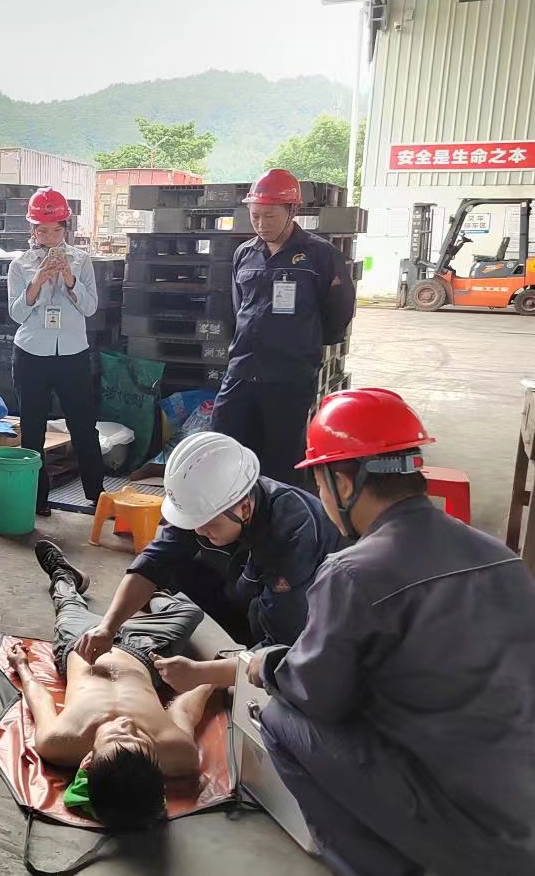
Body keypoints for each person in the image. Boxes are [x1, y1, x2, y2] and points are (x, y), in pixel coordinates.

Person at [245, 389, 535, 876]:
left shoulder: (352, 572)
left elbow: (317, 696)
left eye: (319, 483)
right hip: (522, 804)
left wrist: (268, 664)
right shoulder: (501, 558)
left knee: (280, 718)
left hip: (471, 833)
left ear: (342, 483)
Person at [75, 432, 339, 674]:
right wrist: (108, 627)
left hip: (316, 616)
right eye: (193, 522)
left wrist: (203, 676)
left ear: (244, 508)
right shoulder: (206, 507)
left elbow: (285, 648)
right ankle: (239, 654)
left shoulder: (293, 531)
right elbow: (153, 563)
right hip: (247, 583)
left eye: (207, 523)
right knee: (178, 569)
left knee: (263, 625)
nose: (198, 530)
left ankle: (243, 658)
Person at [7, 540, 217, 831]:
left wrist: (22, 666)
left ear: (88, 761)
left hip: (80, 644)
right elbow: (186, 710)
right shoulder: (178, 753)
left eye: (118, 736)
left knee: (68, 605)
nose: (128, 725)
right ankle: (153, 592)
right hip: (145, 649)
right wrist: (216, 678)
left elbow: (39, 699)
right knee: (189, 613)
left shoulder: (57, 742)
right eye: (141, 739)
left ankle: (65, 576)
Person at [211, 168, 356, 487]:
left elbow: (339, 312)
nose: (261, 224)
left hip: (289, 378)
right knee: (224, 446)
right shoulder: (245, 254)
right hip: (242, 371)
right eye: (255, 216)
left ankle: (281, 515)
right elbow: (239, 308)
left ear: (292, 211)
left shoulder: (321, 255)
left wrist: (302, 342)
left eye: (270, 216)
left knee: (282, 461)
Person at [7, 187, 104, 517]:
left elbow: (90, 308)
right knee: (33, 428)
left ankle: (97, 494)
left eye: (56, 230)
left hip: (73, 354)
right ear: (32, 230)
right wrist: (36, 282)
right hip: (31, 354)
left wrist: (70, 279)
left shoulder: (81, 260)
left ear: (66, 228)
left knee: (83, 425)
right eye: (42, 231)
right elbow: (16, 314)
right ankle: (36, 500)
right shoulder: (20, 265)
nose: (49, 237)